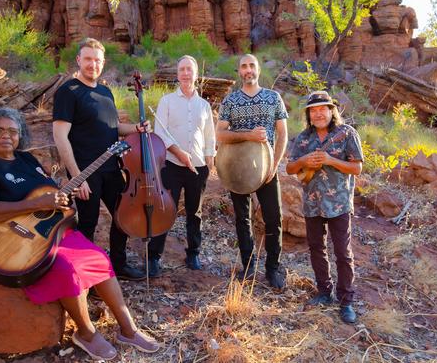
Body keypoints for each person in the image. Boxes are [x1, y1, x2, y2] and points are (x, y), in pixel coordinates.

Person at [0, 107, 160, 360]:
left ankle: (128, 329)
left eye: (13, 131)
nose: (6, 136)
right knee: (68, 268)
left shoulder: (27, 161)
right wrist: (35, 204)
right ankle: (86, 332)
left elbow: (50, 196)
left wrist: (65, 195)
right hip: (15, 237)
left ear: (20, 135)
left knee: (100, 257)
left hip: (52, 230)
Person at [53, 37, 147, 281]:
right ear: (78, 60)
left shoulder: (105, 92)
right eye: (88, 59)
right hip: (85, 172)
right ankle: (85, 274)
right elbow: (60, 137)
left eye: (97, 60)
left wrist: (136, 128)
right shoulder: (68, 91)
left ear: (103, 63)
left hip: (112, 168)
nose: (92, 64)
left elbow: (112, 128)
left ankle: (118, 265)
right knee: (87, 224)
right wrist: (77, 177)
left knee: (122, 216)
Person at [286, 91, 364, 324]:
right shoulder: (302, 138)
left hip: (339, 204)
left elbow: (357, 168)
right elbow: (290, 168)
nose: (318, 113)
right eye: (314, 110)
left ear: (332, 111)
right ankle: (324, 292)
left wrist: (330, 161)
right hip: (312, 204)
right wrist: (304, 162)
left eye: (323, 108)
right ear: (309, 114)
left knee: (342, 252)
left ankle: (346, 301)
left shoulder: (347, 133)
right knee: (316, 248)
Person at [216, 54, 288, 290]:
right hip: (237, 169)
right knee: (242, 219)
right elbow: (221, 135)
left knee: (274, 218)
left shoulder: (273, 98)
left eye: (252, 65)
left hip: (268, 168)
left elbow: (283, 134)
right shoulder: (230, 101)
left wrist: (275, 165)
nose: (248, 70)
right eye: (244, 66)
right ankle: (247, 267)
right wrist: (247, 135)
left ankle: (273, 268)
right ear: (239, 71)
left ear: (258, 69)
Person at [146, 55, 216, 276]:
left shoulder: (204, 105)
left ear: (196, 75)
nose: (185, 73)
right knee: (166, 210)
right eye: (182, 69)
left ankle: (193, 253)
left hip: (198, 168)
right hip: (172, 166)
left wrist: (209, 158)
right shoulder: (167, 101)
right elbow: (160, 135)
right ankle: (154, 256)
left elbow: (210, 136)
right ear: (177, 74)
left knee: (195, 212)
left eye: (189, 69)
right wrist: (178, 153)